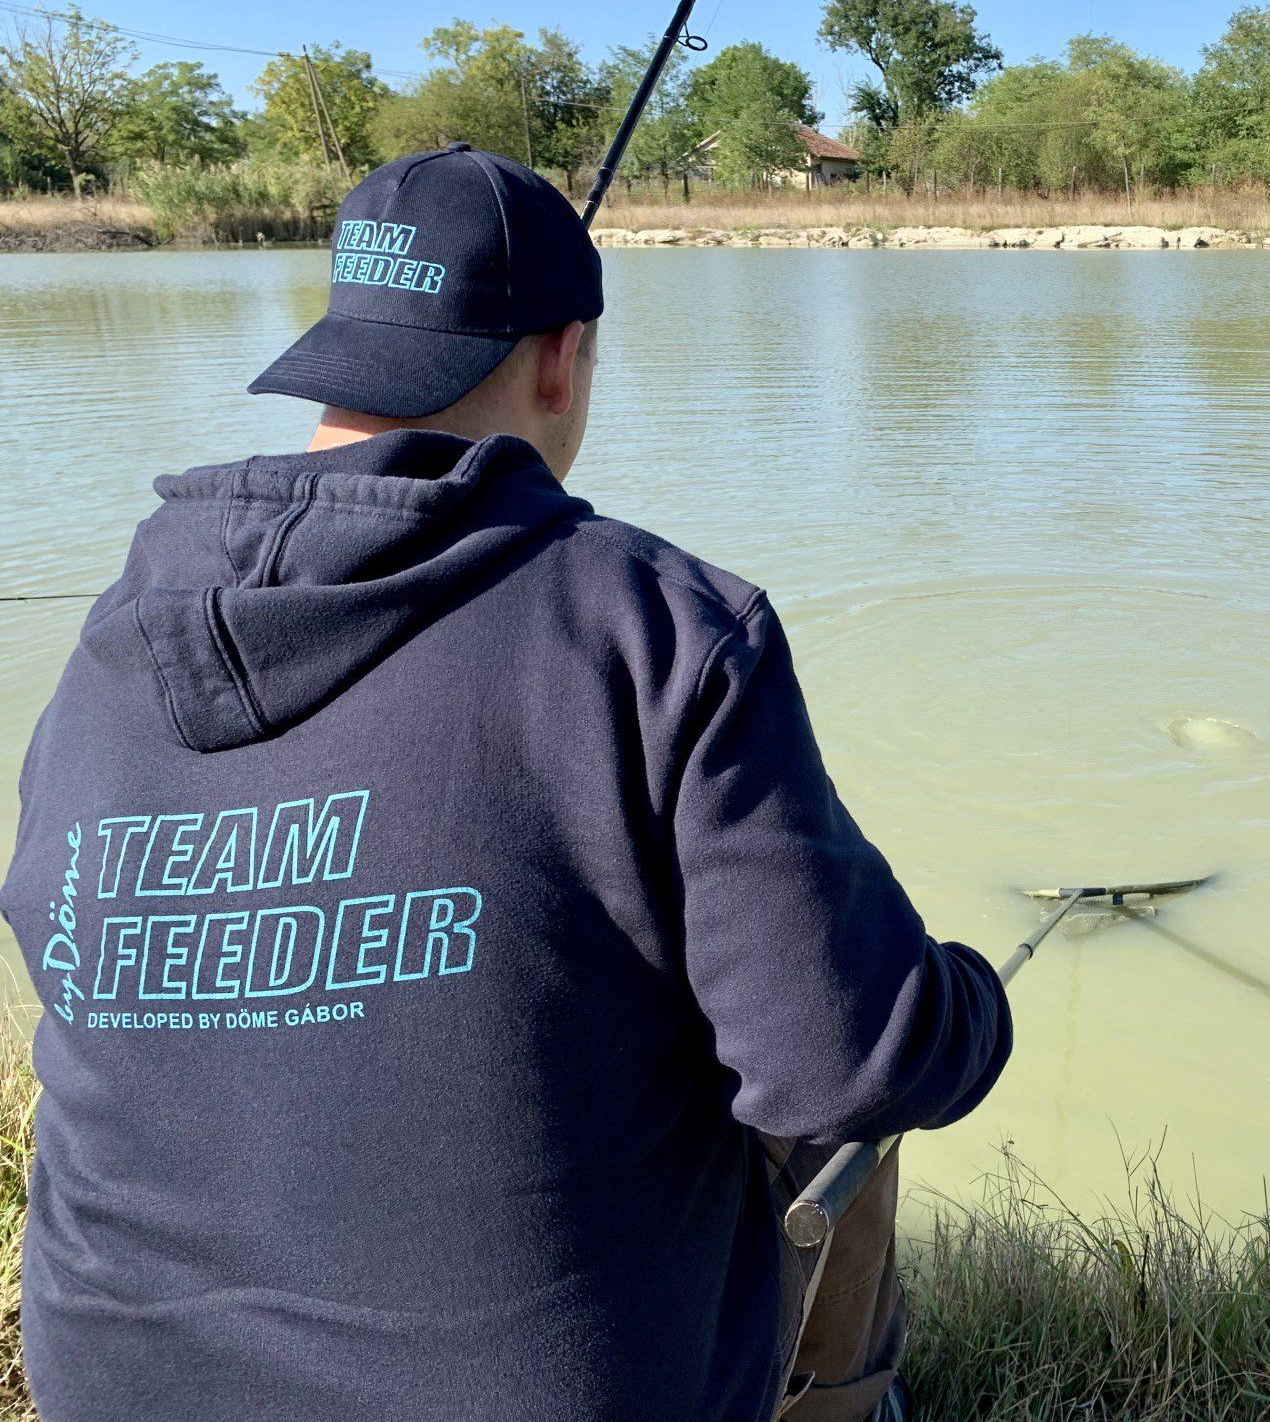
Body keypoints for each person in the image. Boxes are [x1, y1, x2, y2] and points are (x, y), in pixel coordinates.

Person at [0, 144, 1012, 1422]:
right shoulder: (657, 626)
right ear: (561, 358)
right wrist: (970, 1001)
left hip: (116, 1386)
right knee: (807, 1071)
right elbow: (853, 1066)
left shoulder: (109, 648)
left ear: (342, 347)